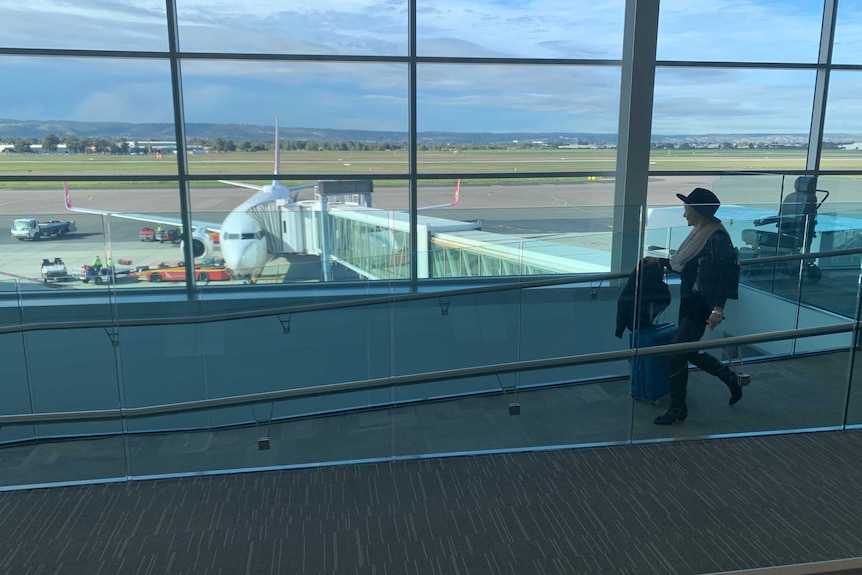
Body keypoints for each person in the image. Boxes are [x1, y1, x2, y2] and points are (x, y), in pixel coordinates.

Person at [647, 187, 748, 425]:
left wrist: (718, 309)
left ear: (697, 211)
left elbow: (727, 276)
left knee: (676, 353)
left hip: (702, 305)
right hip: (690, 301)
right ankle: (729, 379)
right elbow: (687, 265)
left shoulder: (717, 238)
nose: (684, 215)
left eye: (686, 210)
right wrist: (659, 262)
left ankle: (677, 407)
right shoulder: (701, 234)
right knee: (685, 350)